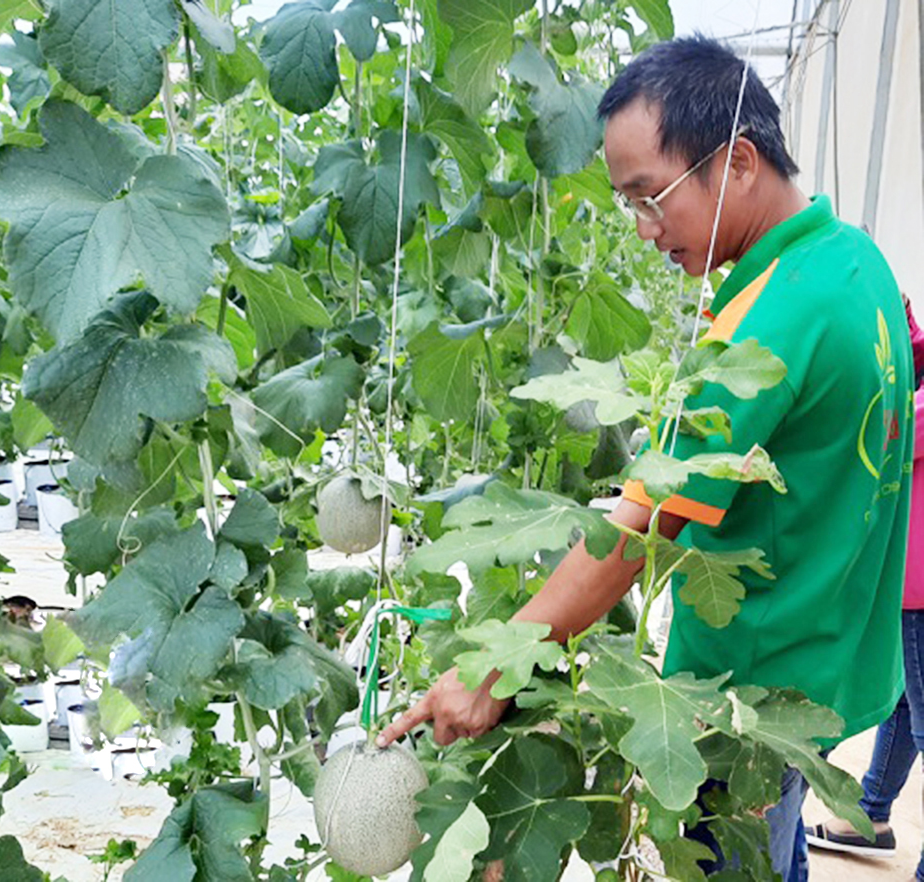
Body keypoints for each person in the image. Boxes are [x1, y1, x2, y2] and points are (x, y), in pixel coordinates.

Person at [377, 36, 913, 882]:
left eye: (648, 197)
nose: (642, 230)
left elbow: (634, 529)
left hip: (742, 703)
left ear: (736, 162)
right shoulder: (856, 262)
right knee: (777, 850)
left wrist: (494, 669)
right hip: (829, 673)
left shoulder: (769, 323)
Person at [804, 302, 924, 873]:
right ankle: (871, 812)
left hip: (920, 586)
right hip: (912, 582)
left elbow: (894, 428)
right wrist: (901, 331)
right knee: (903, 699)